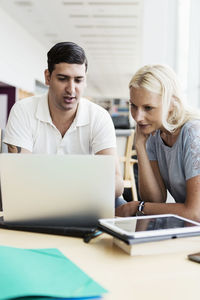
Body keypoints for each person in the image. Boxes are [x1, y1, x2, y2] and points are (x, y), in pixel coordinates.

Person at [3, 41, 124, 199]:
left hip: (84, 200)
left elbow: (116, 182)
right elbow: (18, 179)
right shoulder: (23, 110)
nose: (71, 89)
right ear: (48, 77)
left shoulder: (99, 116)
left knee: (121, 205)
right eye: (63, 79)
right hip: (36, 200)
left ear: (85, 80)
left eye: (78, 80)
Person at [116, 64, 200, 221]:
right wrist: (140, 146)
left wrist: (137, 206)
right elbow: (155, 200)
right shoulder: (155, 134)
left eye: (148, 108)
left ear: (172, 104)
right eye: (133, 106)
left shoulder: (194, 132)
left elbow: (195, 213)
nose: (138, 117)